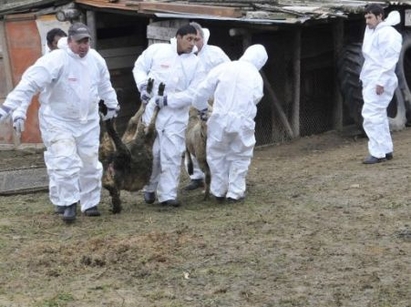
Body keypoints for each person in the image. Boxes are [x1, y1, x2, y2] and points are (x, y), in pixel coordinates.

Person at [0, 22, 119, 223]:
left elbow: (104, 84)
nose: (83, 46)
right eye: (79, 41)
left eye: (86, 41)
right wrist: (10, 108)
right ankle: (68, 203)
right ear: (70, 41)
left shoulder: (95, 59)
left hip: (88, 121)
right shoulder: (55, 60)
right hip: (59, 121)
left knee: (90, 163)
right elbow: (29, 84)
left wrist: (112, 105)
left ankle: (90, 203)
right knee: (64, 161)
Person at [132, 24, 206, 207]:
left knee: (172, 154)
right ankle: (149, 188)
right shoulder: (158, 51)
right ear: (178, 37)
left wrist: (168, 100)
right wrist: (142, 86)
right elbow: (139, 67)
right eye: (189, 39)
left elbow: (194, 92)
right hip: (152, 114)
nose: (192, 44)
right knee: (154, 153)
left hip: (176, 115)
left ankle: (167, 195)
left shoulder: (195, 63)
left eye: (195, 40)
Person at [193, 44, 268, 202]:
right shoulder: (255, 76)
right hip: (243, 121)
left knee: (216, 154)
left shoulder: (224, 67)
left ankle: (218, 191)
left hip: (219, 118)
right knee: (240, 155)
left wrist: (202, 110)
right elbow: (256, 98)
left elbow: (201, 91)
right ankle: (235, 192)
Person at [182, 22, 230, 191]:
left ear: (202, 37)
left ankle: (220, 175)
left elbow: (228, 73)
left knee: (215, 139)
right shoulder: (185, 56)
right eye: (191, 39)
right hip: (192, 105)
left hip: (213, 104)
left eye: (197, 39)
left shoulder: (215, 54)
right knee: (193, 140)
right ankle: (196, 176)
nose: (195, 42)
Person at [360, 4, 402, 164]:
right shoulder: (372, 31)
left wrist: (381, 81)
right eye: (366, 17)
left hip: (379, 79)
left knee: (371, 115)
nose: (367, 21)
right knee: (379, 115)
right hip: (371, 77)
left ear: (380, 17)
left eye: (370, 17)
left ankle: (377, 153)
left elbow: (390, 58)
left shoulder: (388, 33)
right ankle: (385, 149)